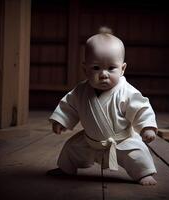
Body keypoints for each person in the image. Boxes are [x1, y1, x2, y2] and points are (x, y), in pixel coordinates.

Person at [49, 27, 158, 186]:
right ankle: (66, 169)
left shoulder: (127, 92)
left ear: (122, 69)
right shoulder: (80, 91)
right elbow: (69, 106)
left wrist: (147, 127)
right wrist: (61, 120)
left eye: (111, 68)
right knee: (71, 149)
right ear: (85, 69)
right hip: (90, 141)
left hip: (122, 142)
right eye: (96, 68)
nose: (103, 74)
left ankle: (144, 174)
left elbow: (142, 108)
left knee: (138, 154)